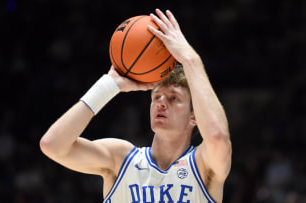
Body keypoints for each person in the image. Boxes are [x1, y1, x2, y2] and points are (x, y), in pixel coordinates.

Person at [40, 9, 232, 203]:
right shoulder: (122, 158)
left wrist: (191, 60)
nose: (161, 103)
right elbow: (53, 145)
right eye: (156, 97)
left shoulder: (203, 164)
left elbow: (217, 137)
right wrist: (108, 86)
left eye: (174, 98)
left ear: (194, 116)